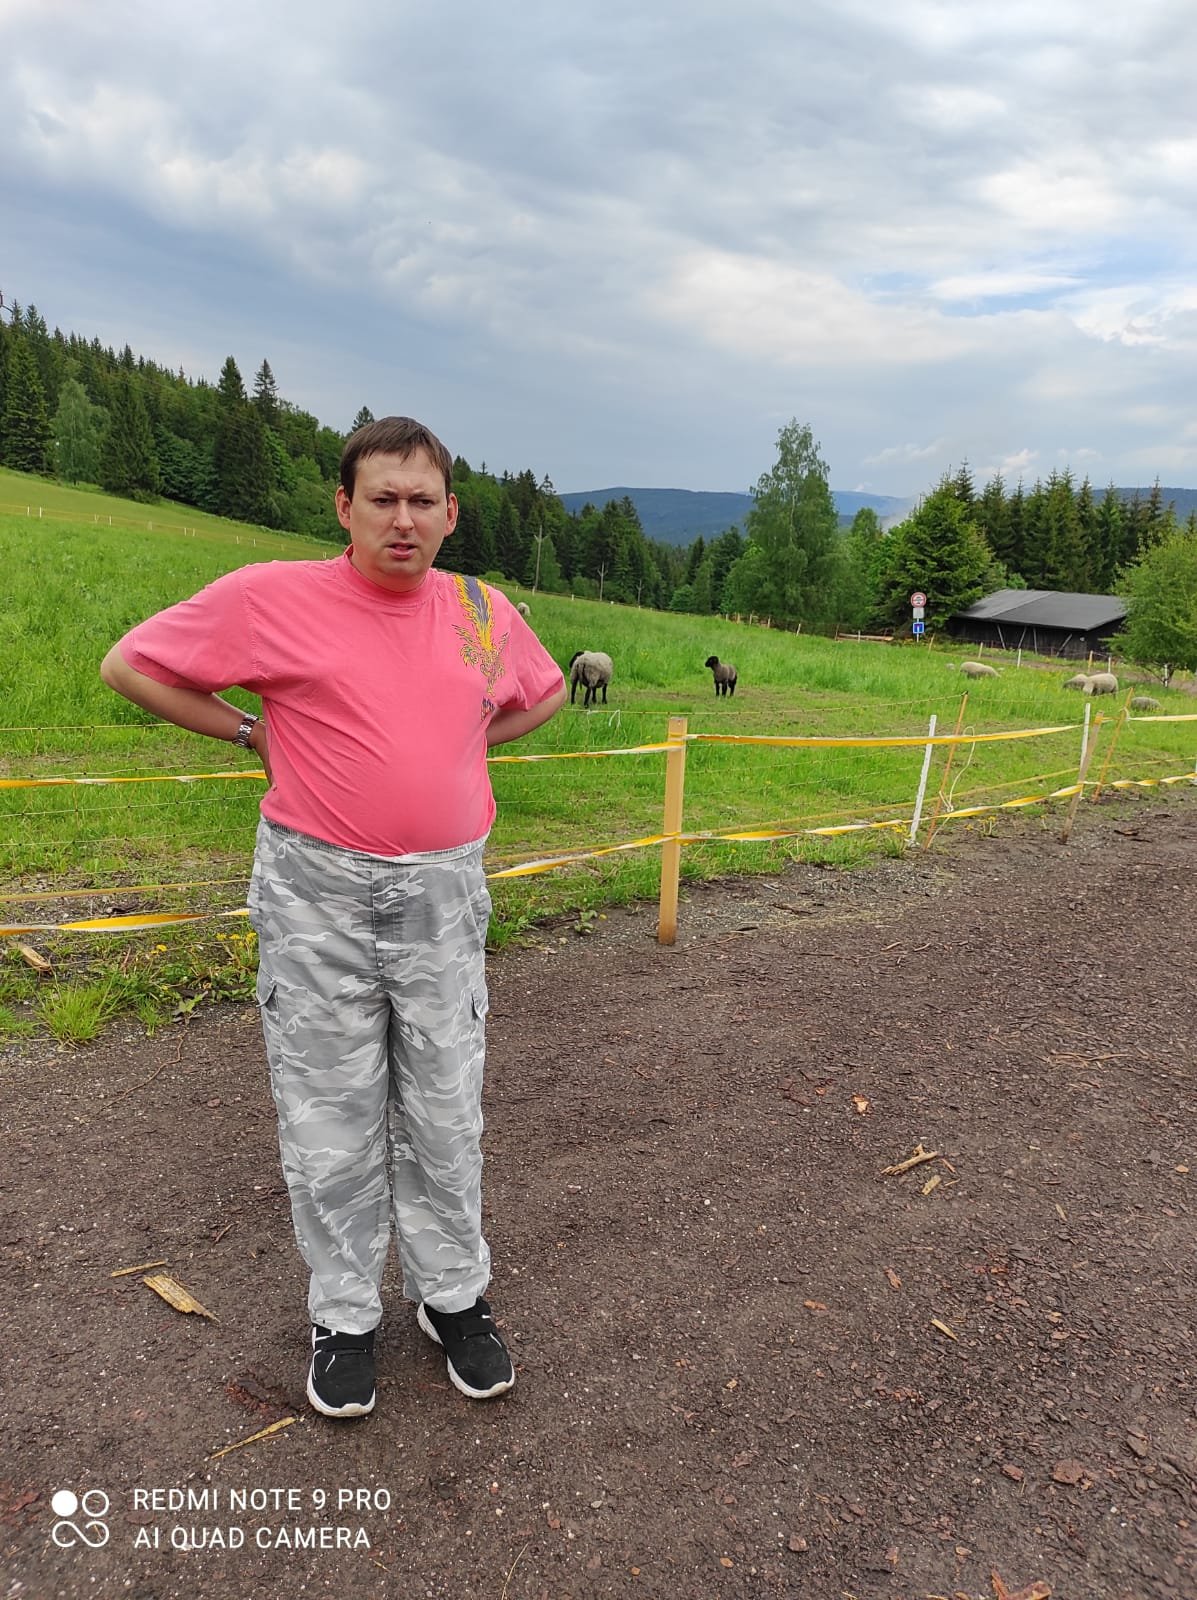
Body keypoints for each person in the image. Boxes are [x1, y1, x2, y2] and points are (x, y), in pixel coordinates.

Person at [101, 416, 567, 1418]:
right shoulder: (269, 596)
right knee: (331, 1114)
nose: (404, 519)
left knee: (445, 1106)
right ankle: (345, 1315)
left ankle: (452, 1298)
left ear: (451, 513)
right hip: (316, 893)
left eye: (422, 501)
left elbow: (545, 691)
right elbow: (130, 665)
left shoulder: (482, 611)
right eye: (382, 499)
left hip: (443, 891)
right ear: (344, 506)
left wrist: (468, 743)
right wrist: (249, 731)